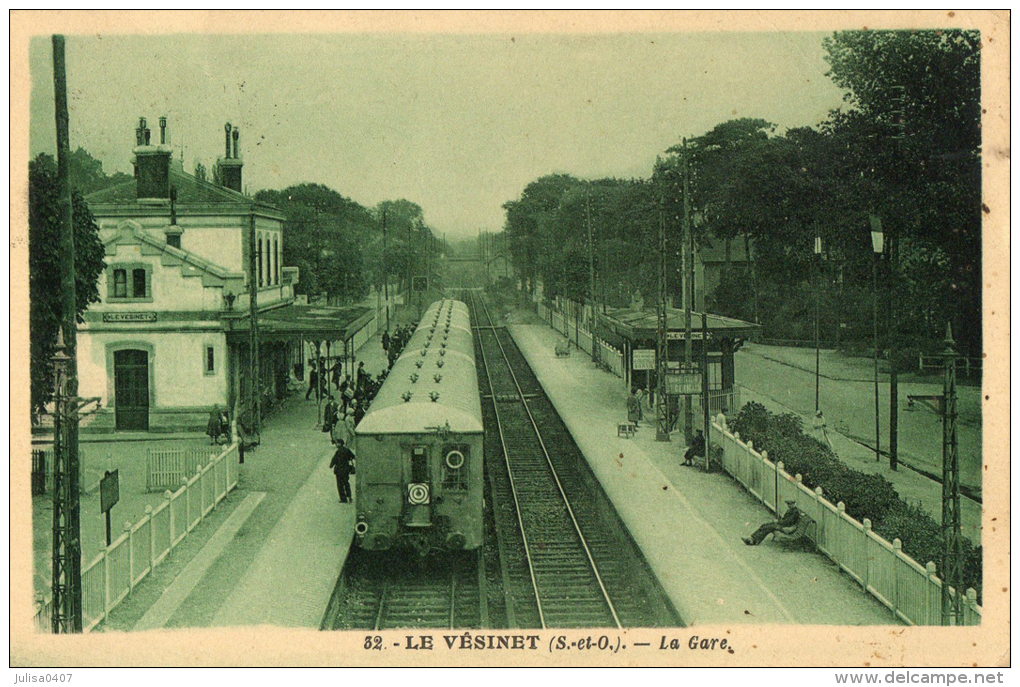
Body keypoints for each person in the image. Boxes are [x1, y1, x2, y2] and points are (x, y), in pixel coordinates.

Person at [329, 438, 356, 504]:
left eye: (337, 443)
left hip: (339, 470)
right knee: (346, 483)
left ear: (340, 444)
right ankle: (349, 497)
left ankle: (343, 499)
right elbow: (353, 456)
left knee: (340, 485)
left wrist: (331, 465)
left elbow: (334, 460)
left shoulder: (338, 452)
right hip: (346, 470)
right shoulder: (347, 450)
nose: (336, 444)